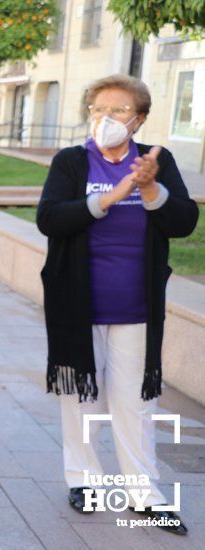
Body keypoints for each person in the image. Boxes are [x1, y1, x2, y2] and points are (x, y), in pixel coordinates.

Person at [37, 74, 198, 536]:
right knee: (81, 396)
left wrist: (148, 188)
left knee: (135, 403)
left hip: (136, 304)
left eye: (119, 110)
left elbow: (184, 221)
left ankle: (144, 493)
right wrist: (108, 197)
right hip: (77, 303)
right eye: (97, 109)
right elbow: (50, 218)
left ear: (140, 118)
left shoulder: (156, 163)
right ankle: (83, 479)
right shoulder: (71, 162)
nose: (105, 118)